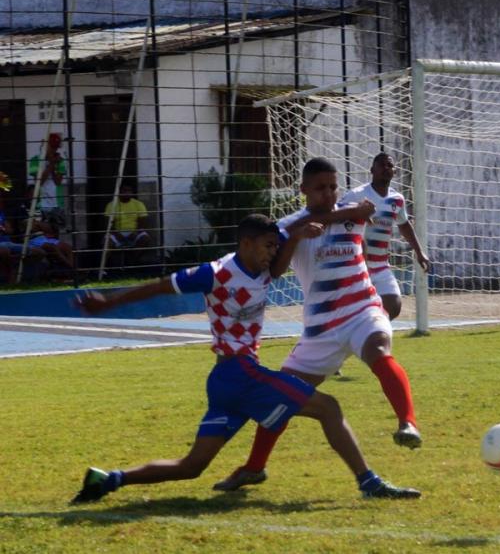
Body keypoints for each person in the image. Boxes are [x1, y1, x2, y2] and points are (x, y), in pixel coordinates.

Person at [71, 214, 420, 504]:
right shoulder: (216, 272)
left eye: (275, 246)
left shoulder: (264, 267)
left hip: (227, 382)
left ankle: (108, 479)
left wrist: (306, 231)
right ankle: (369, 483)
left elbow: (295, 231)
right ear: (247, 243)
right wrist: (109, 302)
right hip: (240, 373)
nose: (273, 253)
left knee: (192, 466)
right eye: (268, 246)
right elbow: (160, 286)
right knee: (329, 408)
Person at [213, 158, 421, 493]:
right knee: (281, 398)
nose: (329, 193)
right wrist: (297, 237)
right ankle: (254, 467)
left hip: (362, 310)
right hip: (320, 329)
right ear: (303, 190)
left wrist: (354, 212)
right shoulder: (289, 227)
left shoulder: (353, 214)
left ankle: (407, 423)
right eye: (320, 188)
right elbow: (275, 271)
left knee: (379, 350)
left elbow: (361, 214)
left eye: (333, 187)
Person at [340, 153, 430, 321]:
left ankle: (367, 329)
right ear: (372, 170)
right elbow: (338, 216)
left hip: (381, 265)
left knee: (393, 306)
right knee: (355, 310)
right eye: (382, 165)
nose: (386, 168)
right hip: (358, 264)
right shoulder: (357, 195)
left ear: (394, 171)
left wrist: (419, 252)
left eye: (390, 165)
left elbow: (404, 224)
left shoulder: (397, 199)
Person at [104, 182, 152, 266]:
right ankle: (106, 266)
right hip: (117, 233)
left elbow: (143, 221)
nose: (127, 193)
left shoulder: (138, 204)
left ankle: (131, 263)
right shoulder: (111, 205)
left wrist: (136, 232)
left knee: (146, 239)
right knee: (106, 243)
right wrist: (116, 234)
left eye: (129, 190)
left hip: (134, 232)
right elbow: (107, 223)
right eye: (124, 190)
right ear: (119, 191)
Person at [27, 132, 67, 229]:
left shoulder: (60, 161)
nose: (54, 150)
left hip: (57, 203)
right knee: (41, 230)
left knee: (55, 230)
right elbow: (39, 182)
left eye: (56, 147)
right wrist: (51, 163)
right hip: (41, 204)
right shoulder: (35, 160)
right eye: (52, 147)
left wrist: (53, 164)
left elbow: (58, 182)